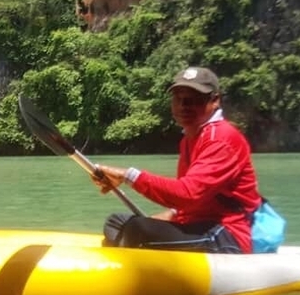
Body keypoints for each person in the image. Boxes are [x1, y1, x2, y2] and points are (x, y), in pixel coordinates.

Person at [91, 66, 262, 253]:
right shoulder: (191, 138)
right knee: (117, 222)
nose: (183, 106)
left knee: (137, 229)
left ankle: (129, 261)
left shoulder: (221, 138)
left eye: (193, 100)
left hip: (225, 234)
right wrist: (168, 217)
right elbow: (192, 203)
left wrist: (128, 176)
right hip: (196, 225)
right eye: (178, 99)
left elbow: (187, 195)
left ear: (215, 100)